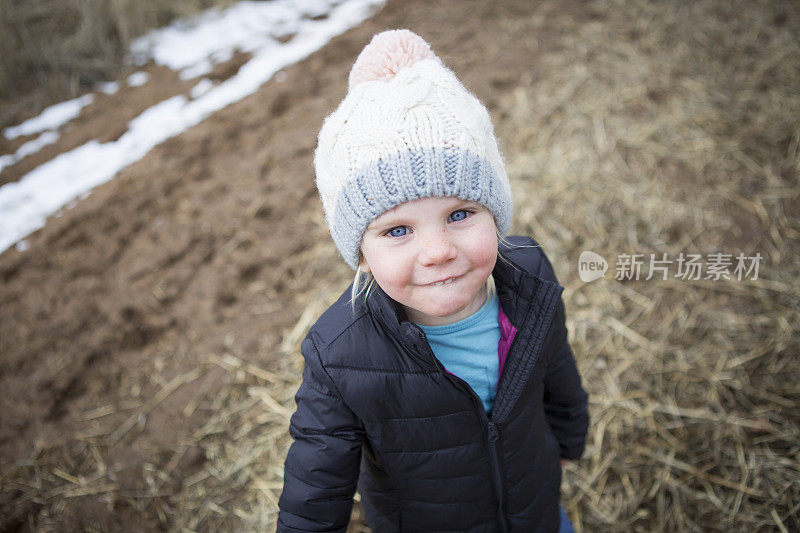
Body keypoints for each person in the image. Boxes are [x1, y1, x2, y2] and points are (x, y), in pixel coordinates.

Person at [277, 29, 589, 533]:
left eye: (461, 213)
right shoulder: (341, 355)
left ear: (495, 215)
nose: (439, 250)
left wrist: (570, 441)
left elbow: (557, 367)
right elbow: (315, 486)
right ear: (361, 254)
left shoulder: (529, 278)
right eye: (398, 230)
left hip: (533, 507)